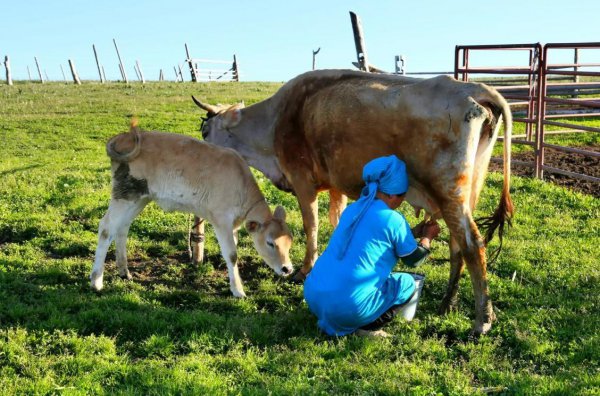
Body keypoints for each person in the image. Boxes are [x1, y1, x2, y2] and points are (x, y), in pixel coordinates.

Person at [303, 155, 441, 337]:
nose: (402, 199)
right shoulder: (393, 219)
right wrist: (427, 238)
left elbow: (376, 236)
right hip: (348, 307)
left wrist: (414, 232)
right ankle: (367, 328)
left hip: (314, 296)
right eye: (402, 194)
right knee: (407, 284)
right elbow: (413, 260)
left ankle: (333, 316)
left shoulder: (353, 209)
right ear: (392, 194)